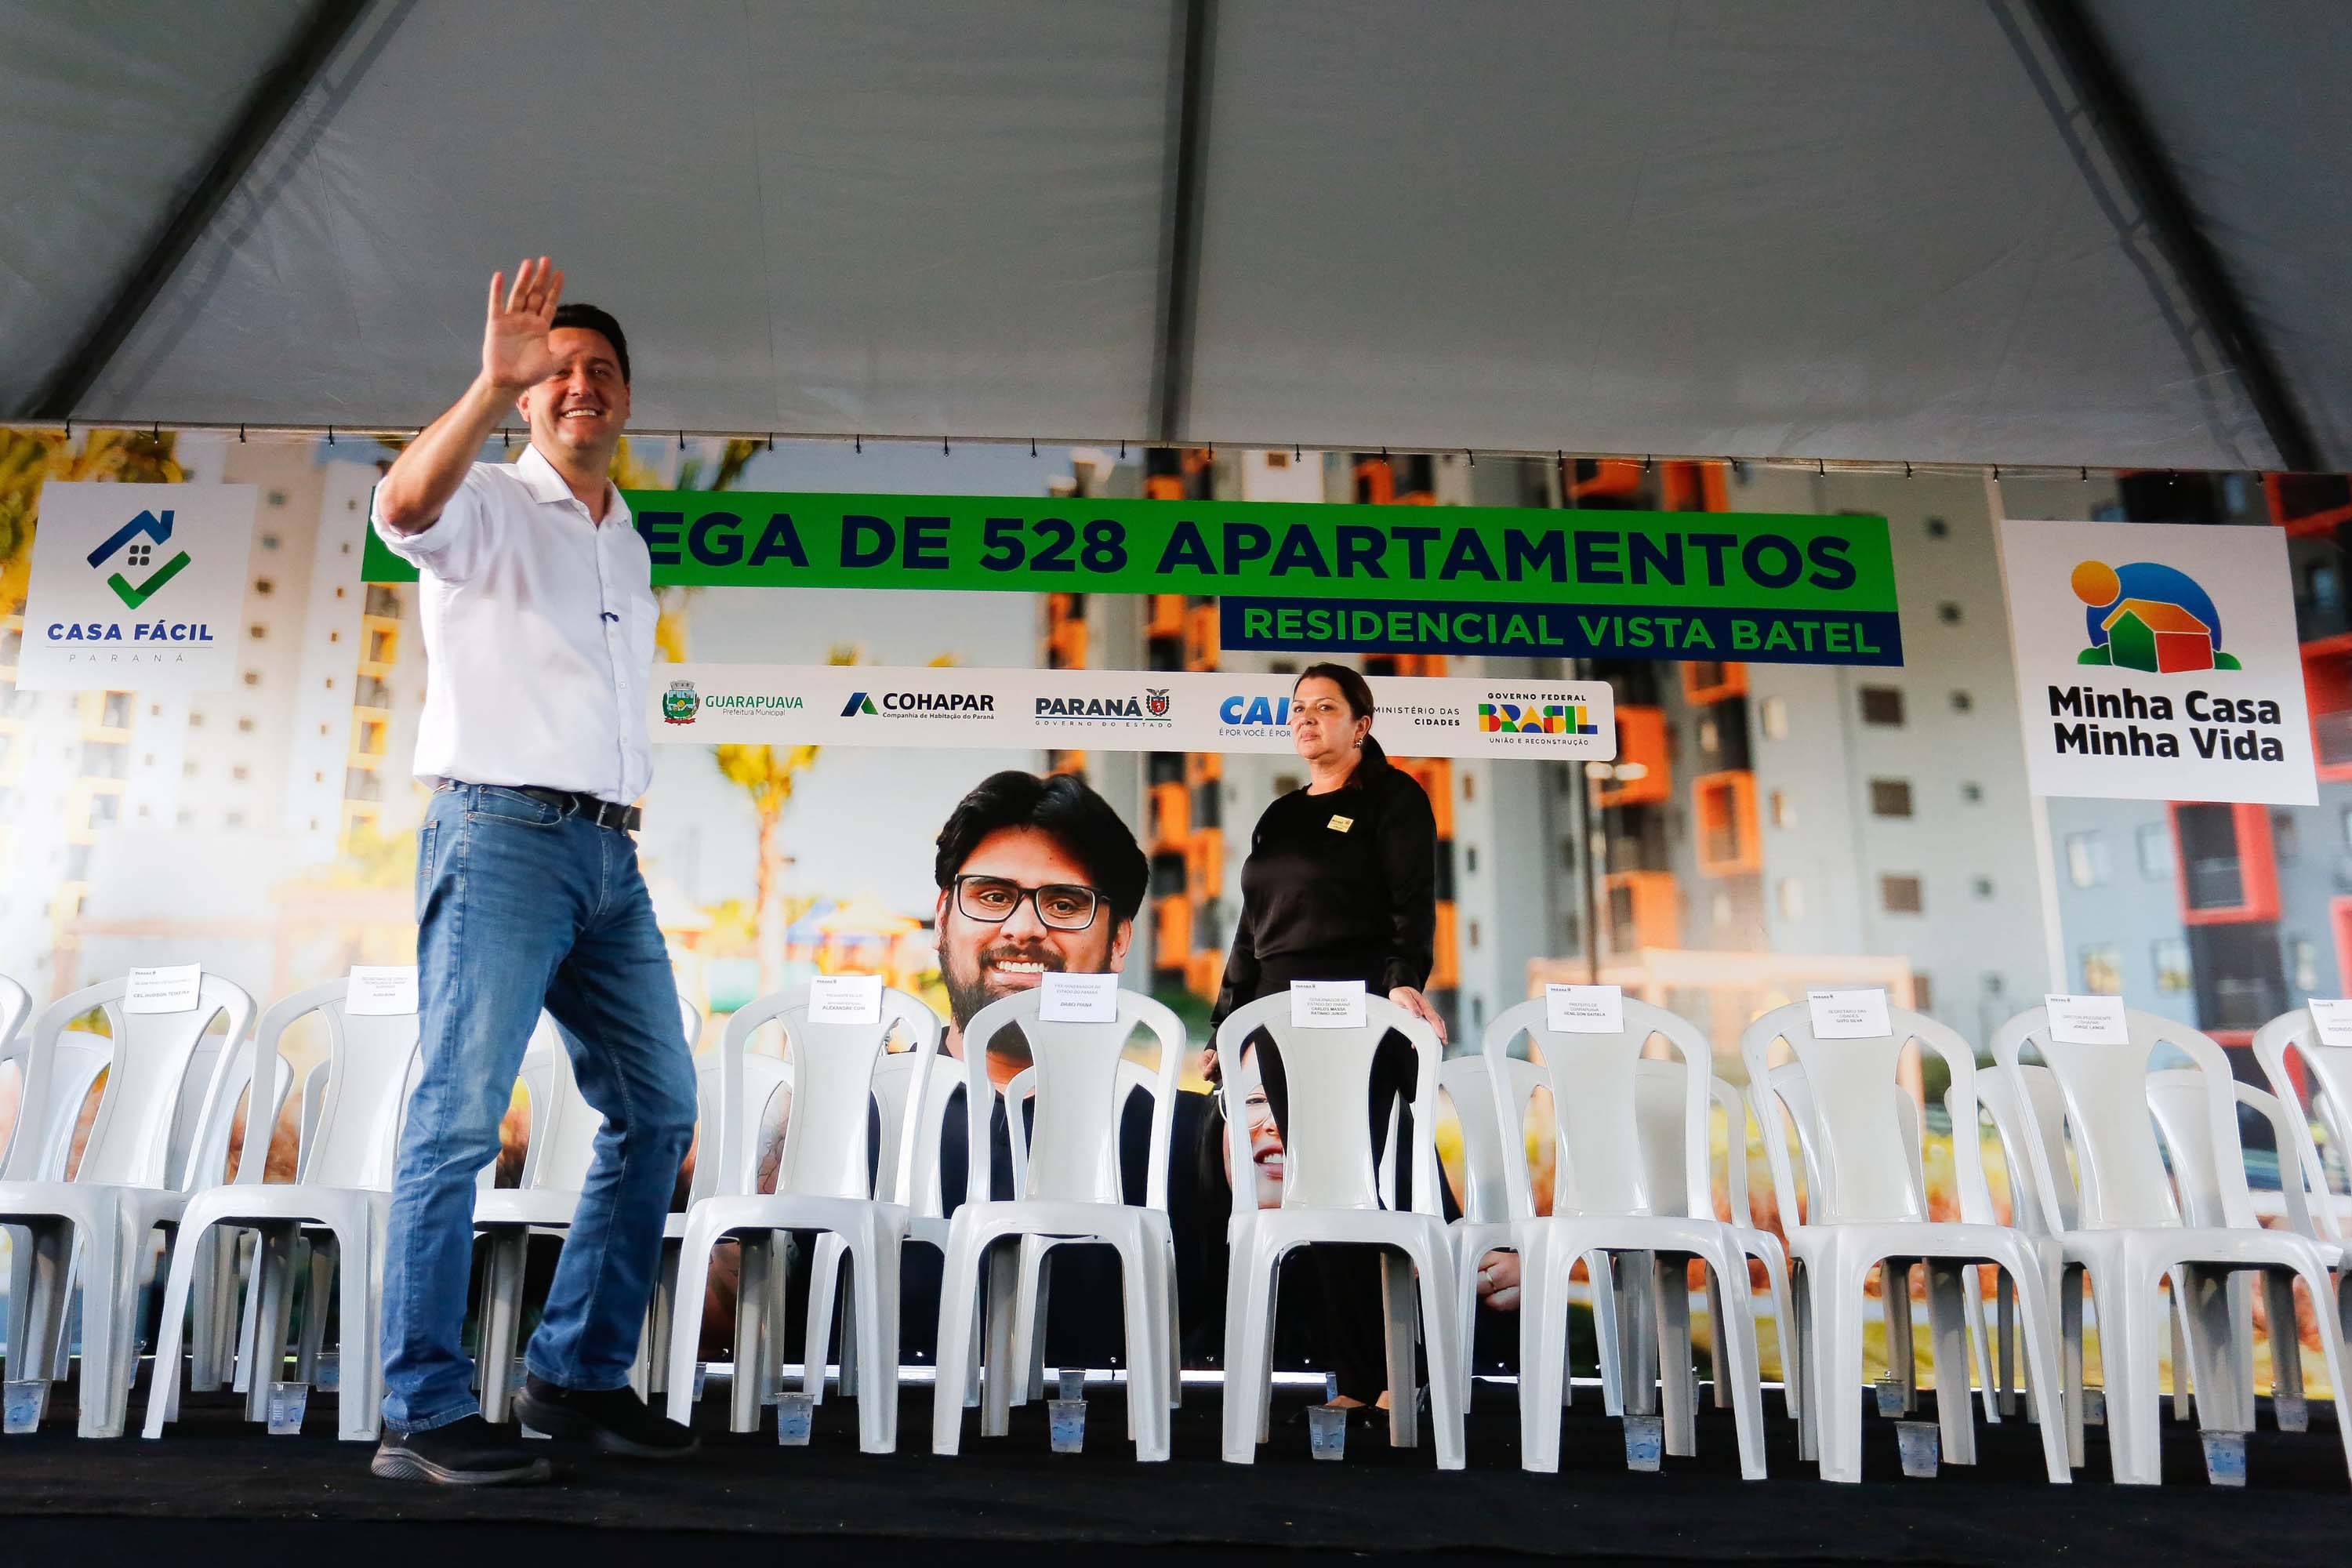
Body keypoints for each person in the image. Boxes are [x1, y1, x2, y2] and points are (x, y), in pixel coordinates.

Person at [368, 258, 698, 1485]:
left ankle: (574, 1377)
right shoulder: (491, 501)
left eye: (601, 371)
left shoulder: (627, 539)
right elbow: (402, 508)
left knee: (658, 1107)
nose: (580, 385)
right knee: (457, 1120)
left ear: (626, 399)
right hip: (501, 836)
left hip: (608, 855)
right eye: (556, 371)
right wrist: (484, 378)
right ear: (524, 397)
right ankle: (422, 1408)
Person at [1210, 662, 1457, 1412]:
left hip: (1361, 1004)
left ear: (1362, 723)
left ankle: (1406, 1375)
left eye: (1325, 707)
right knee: (1316, 1187)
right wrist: (1229, 1020)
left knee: (1369, 1185)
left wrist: (1405, 979)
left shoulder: (1394, 798)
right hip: (1282, 1010)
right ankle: (1356, 1382)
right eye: (1299, 709)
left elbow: (1414, 906)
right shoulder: (1280, 814)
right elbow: (1253, 931)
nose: (1308, 719)